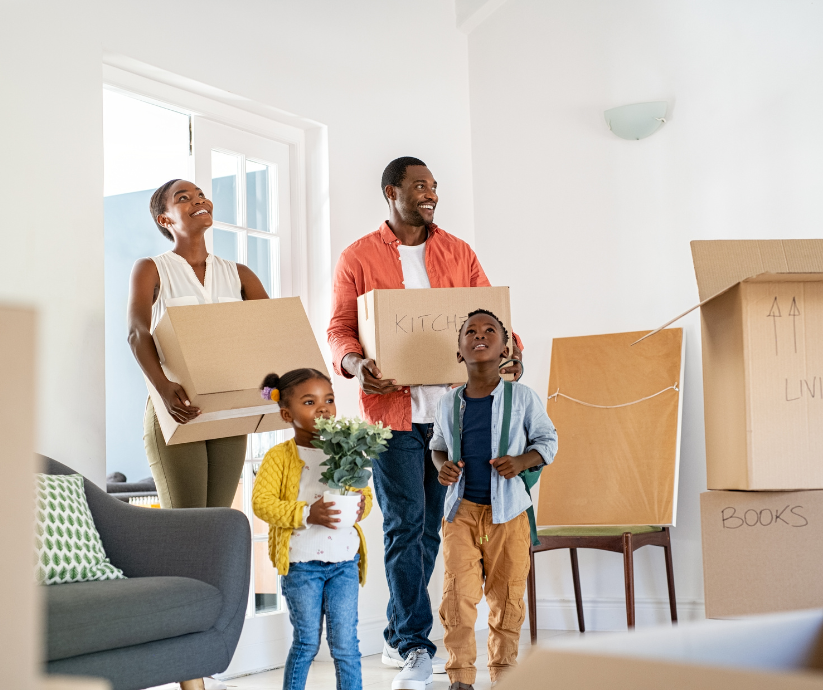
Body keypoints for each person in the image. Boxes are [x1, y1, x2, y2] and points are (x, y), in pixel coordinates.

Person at [327, 157, 523, 690]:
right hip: (392, 416)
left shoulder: (458, 251)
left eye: (434, 186)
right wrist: (356, 366)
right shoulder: (358, 257)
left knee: (434, 524)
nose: (430, 193)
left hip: (452, 417)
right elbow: (341, 329)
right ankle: (414, 642)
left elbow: (493, 317)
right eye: (419, 186)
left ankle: (396, 635)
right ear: (391, 192)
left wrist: (513, 350)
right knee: (403, 523)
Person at [127, 179, 270, 690]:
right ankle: (190, 677)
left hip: (227, 418)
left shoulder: (240, 274)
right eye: (184, 199)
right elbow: (138, 332)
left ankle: (200, 653)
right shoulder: (154, 269)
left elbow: (270, 335)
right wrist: (164, 388)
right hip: (177, 413)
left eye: (201, 196)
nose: (199, 202)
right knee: (185, 535)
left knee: (216, 534)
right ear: (166, 219)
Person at [432, 309, 557, 690]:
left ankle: (505, 675)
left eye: (490, 331)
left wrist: (522, 460)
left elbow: (548, 441)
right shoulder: (447, 402)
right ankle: (461, 677)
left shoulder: (522, 398)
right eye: (470, 331)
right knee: (458, 597)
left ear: (507, 349)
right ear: (459, 351)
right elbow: (437, 446)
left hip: (509, 516)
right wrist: (442, 466)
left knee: (507, 597)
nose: (479, 335)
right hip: (461, 514)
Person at [252, 369, 372, 690]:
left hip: (344, 563)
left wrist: (362, 505)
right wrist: (308, 513)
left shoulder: (346, 450)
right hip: (302, 565)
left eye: (329, 400)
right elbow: (262, 503)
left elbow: (366, 495)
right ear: (287, 414)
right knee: (306, 642)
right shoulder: (279, 457)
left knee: (346, 644)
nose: (323, 408)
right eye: (310, 402)